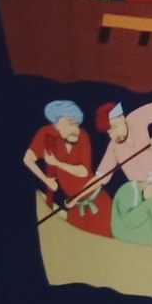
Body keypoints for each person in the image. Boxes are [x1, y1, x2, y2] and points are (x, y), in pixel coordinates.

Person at [22, 98, 112, 234]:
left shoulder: (83, 136)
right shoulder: (46, 134)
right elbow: (28, 158)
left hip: (96, 202)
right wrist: (46, 180)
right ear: (58, 124)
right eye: (70, 123)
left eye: (77, 124)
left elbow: (83, 171)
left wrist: (57, 163)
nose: (75, 129)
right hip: (75, 207)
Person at [93, 97, 152, 190]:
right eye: (109, 132)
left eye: (115, 126)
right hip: (137, 188)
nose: (114, 134)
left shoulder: (135, 118)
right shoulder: (113, 146)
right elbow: (100, 176)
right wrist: (80, 195)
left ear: (122, 118)